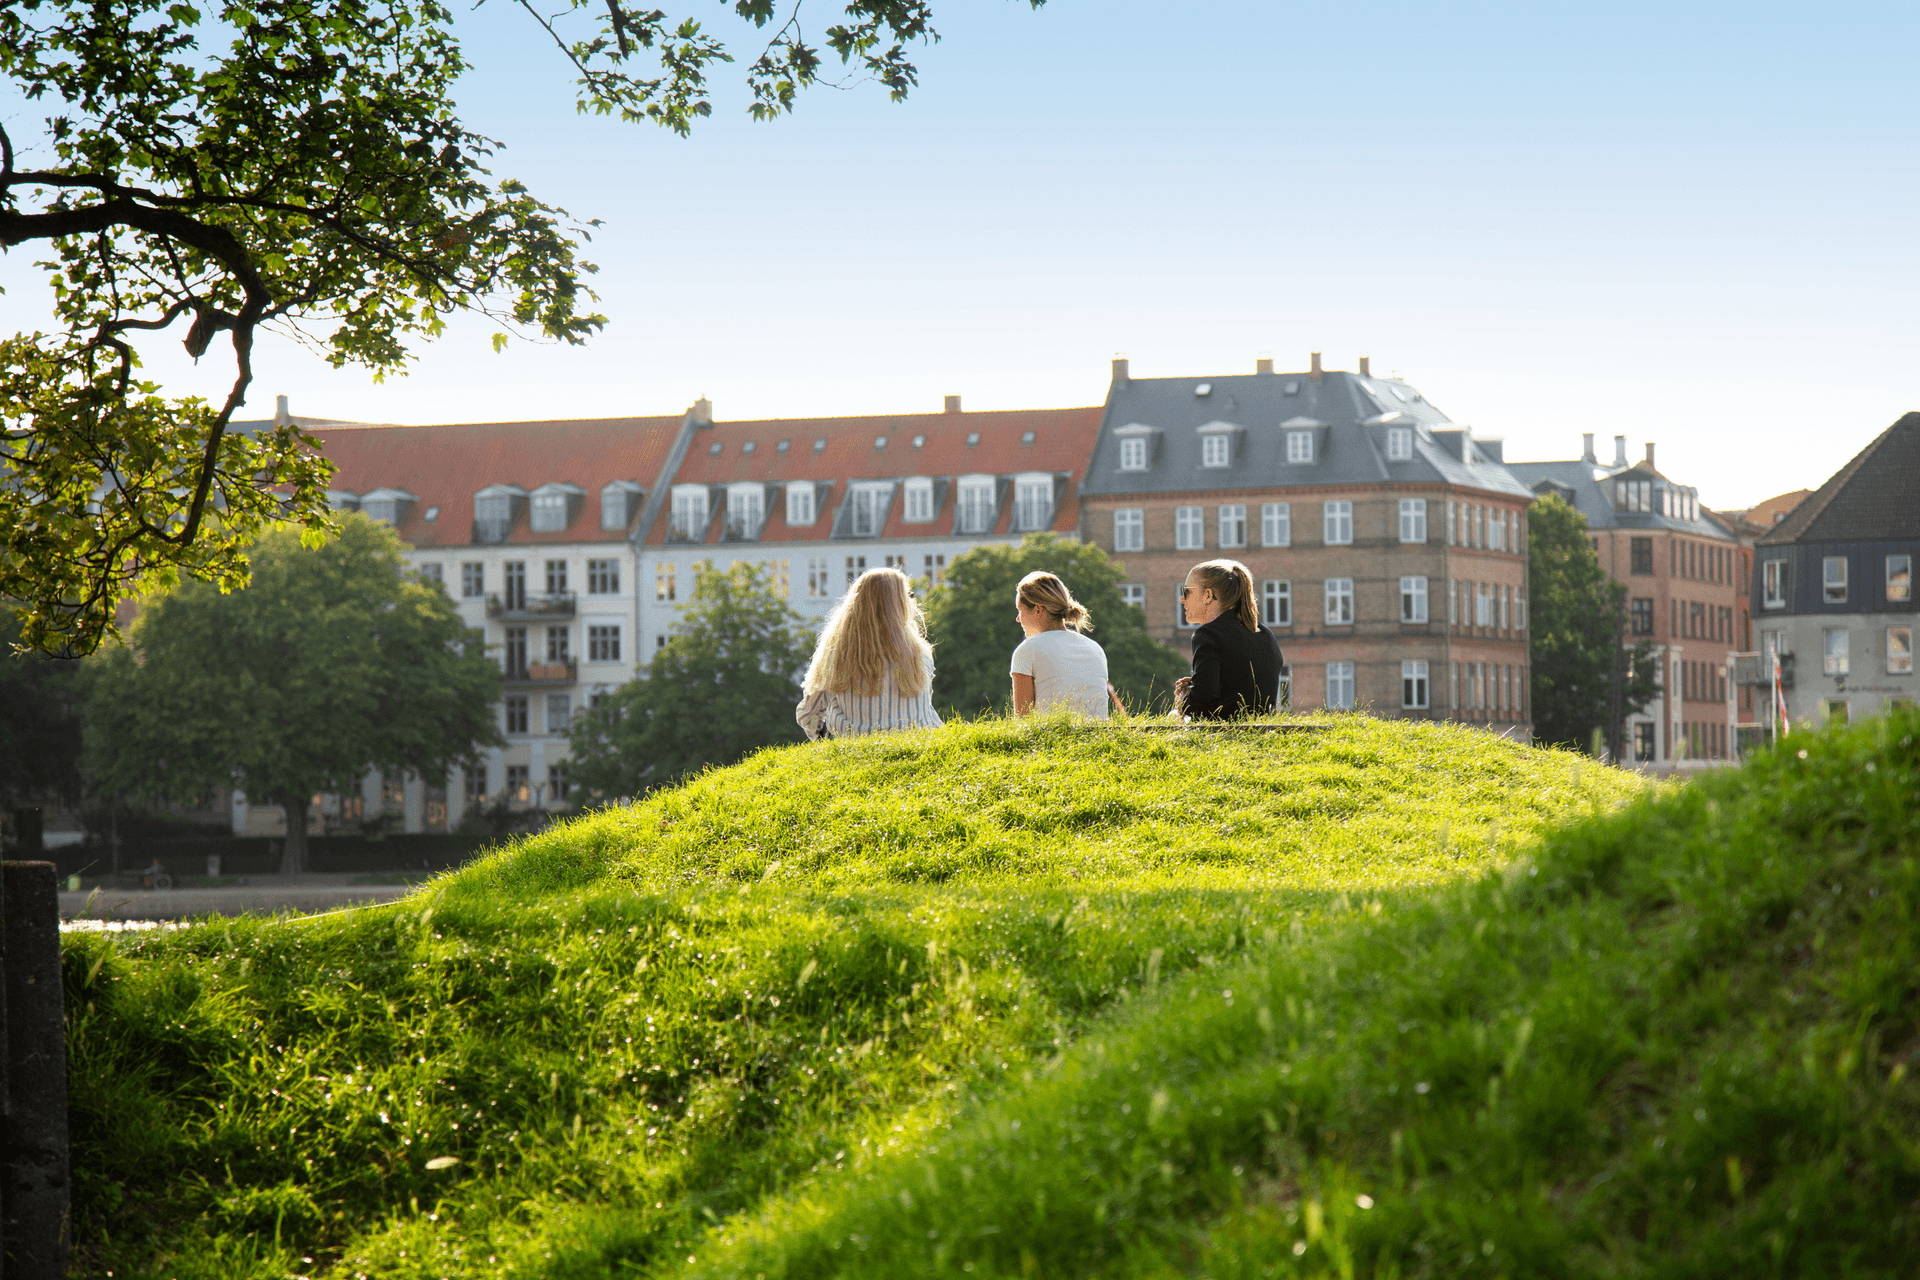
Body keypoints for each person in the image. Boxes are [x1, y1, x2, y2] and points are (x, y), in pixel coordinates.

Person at [795, 566, 945, 741]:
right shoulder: (920, 654)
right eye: (909, 597)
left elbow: (808, 715)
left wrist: (821, 739)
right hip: (917, 745)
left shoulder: (834, 655)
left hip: (853, 747)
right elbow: (925, 708)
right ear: (900, 606)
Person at [1173, 559, 1285, 720]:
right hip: (1262, 731)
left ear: (1207, 595)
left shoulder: (1206, 635)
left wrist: (1183, 698)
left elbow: (1199, 706)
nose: (1181, 599)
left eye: (1187, 592)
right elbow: (1244, 684)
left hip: (1225, 735)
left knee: (1173, 717)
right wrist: (1199, 682)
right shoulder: (1265, 633)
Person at [1008, 571, 1124, 718]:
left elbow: (1023, 721)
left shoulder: (1026, 651)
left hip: (1050, 740)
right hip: (1099, 739)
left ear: (1038, 609)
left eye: (1020, 610)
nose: (1018, 619)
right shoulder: (1095, 648)